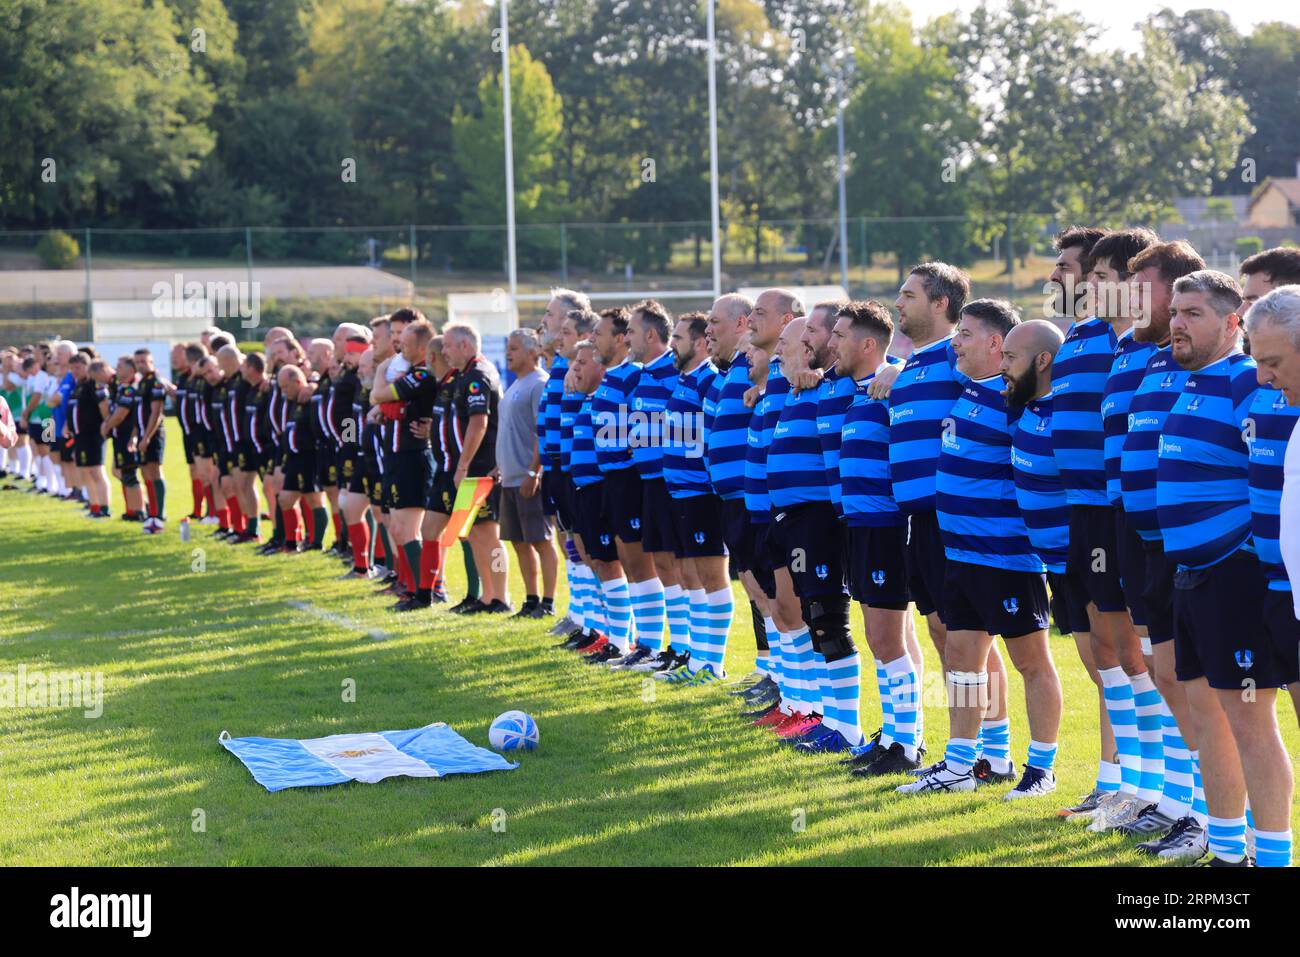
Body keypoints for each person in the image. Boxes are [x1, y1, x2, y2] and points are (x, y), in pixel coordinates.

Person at [898, 299, 1062, 797]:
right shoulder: (967, 389)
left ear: (996, 344)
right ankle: (960, 764)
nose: (955, 342)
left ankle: (1041, 769)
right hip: (961, 555)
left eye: (966, 334)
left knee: (1031, 661)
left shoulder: (1019, 403)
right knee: (963, 661)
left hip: (1006, 558)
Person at [1157, 270, 1290, 867]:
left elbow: (1272, 478)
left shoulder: (1248, 382)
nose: (1177, 323)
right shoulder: (1190, 383)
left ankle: (1273, 854)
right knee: (1206, 721)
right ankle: (1228, 852)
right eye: (1176, 312)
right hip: (1190, 578)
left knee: (1250, 724)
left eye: (1193, 314)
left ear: (1231, 323)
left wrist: (1241, 552)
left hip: (1235, 580)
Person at [495, 328, 556, 619]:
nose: (509, 353)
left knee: (541, 540)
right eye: (508, 347)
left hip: (529, 477)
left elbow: (541, 432)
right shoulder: (515, 384)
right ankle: (530, 599)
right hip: (509, 477)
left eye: (515, 348)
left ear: (533, 353)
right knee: (519, 542)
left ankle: (548, 601)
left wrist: (534, 471)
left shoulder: (539, 384)